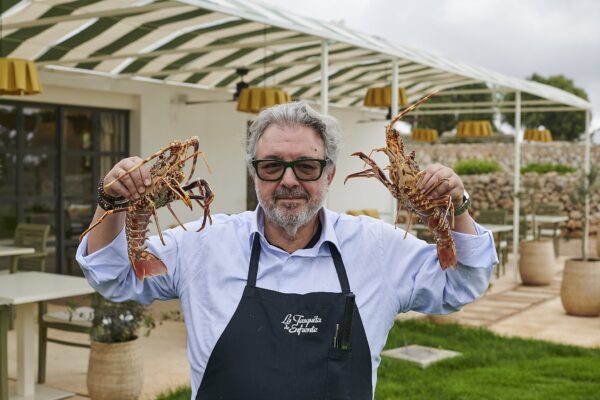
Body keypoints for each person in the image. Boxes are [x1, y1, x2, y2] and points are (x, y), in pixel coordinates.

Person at [77, 101, 497, 400]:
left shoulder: (378, 247)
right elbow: (114, 276)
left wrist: (455, 208)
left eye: (307, 166)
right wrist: (112, 202)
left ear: (330, 173)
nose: (289, 181)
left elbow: (462, 282)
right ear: (255, 173)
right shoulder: (204, 242)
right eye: (272, 166)